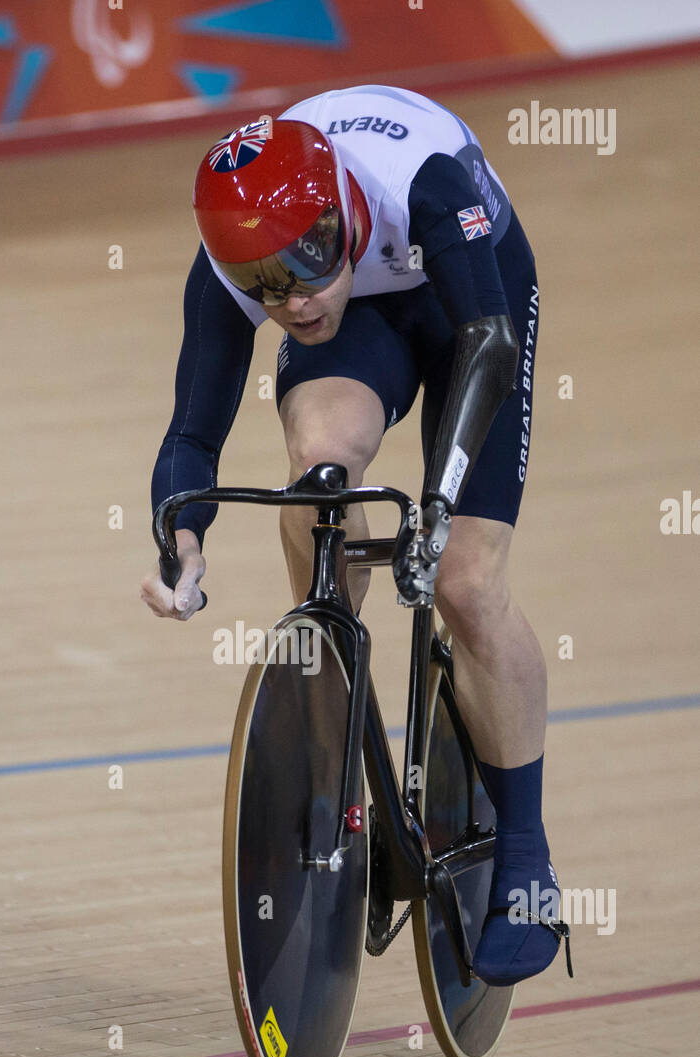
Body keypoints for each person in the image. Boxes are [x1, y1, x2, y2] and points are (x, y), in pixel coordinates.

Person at [140, 84, 568, 986]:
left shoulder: (427, 183)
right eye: (265, 289)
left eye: (304, 264)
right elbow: (191, 435)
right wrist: (182, 546)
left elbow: (488, 346)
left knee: (465, 581)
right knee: (318, 468)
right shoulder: (256, 264)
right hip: (369, 314)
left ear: (338, 206)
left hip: (471, 302)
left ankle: (526, 862)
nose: (291, 304)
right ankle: (336, 694)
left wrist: (441, 504)